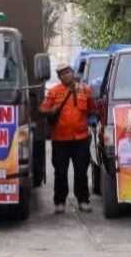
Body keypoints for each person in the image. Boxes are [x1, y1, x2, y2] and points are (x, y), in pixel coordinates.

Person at [38, 63, 93, 214]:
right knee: (60, 172)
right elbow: (42, 109)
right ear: (59, 77)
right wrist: (51, 110)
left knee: (81, 171)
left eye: (68, 72)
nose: (66, 75)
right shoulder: (54, 92)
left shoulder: (85, 90)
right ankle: (60, 202)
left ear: (73, 73)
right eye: (62, 73)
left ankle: (83, 200)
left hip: (81, 139)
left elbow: (91, 109)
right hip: (60, 140)